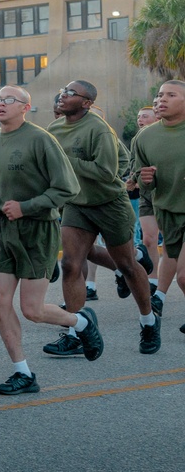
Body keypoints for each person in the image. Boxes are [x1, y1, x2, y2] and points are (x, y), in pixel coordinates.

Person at [0, 85, 101, 397]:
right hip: (4, 232)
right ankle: (23, 372)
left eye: (9, 100)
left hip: (38, 231)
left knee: (32, 309)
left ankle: (80, 323)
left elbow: (67, 188)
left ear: (26, 107)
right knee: (0, 302)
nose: (1, 105)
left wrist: (26, 207)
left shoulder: (41, 139)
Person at [43, 81, 158, 358]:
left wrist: (65, 161)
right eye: (63, 90)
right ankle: (77, 331)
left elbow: (106, 172)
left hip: (110, 204)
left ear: (86, 103)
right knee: (70, 264)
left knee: (128, 266)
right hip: (76, 205)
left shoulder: (99, 129)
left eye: (71, 93)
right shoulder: (54, 129)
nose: (63, 95)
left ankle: (149, 321)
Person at [133, 80, 185, 331]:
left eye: (171, 95)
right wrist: (145, 180)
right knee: (172, 259)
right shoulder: (145, 137)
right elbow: (142, 186)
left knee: (184, 276)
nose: (162, 99)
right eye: (160, 94)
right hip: (167, 209)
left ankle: (159, 296)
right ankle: (160, 296)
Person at [129, 106, 161, 295]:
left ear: (156, 118)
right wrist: (133, 178)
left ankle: (163, 285)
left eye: (145, 116)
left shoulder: (162, 135)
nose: (140, 119)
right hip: (144, 194)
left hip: (163, 192)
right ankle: (153, 280)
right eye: (139, 116)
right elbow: (134, 163)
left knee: (170, 241)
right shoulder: (137, 139)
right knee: (149, 238)